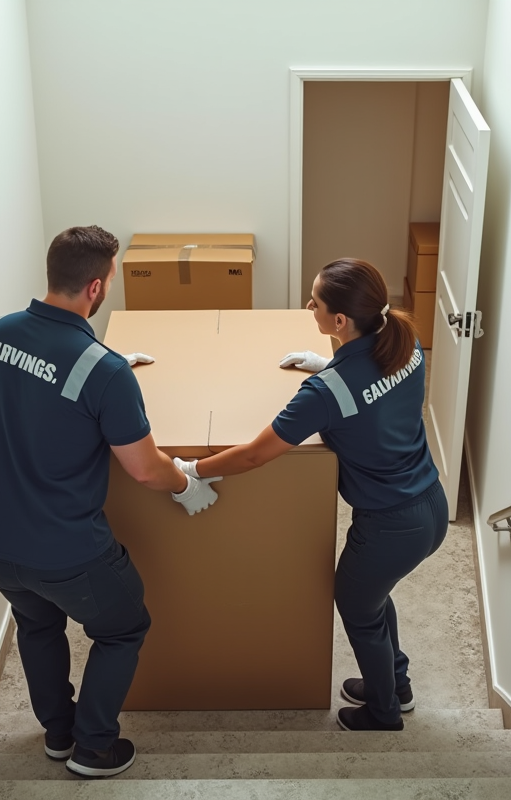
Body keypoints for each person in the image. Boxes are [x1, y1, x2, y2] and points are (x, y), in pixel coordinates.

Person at [0, 225, 221, 778]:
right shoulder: (102, 371)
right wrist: (186, 483)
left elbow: (26, 397)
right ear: (95, 287)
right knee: (123, 627)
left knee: (37, 627)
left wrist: (98, 370)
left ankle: (58, 735)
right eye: (110, 277)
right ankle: (93, 747)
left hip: (0, 548)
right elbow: (144, 469)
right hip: (69, 552)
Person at [178, 257, 447, 732]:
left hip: (390, 524)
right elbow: (375, 393)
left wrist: (193, 469)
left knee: (359, 606)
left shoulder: (325, 395)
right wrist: (331, 363)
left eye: (315, 301)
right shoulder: (406, 346)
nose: (308, 305)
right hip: (430, 505)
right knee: (375, 598)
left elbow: (256, 454)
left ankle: (384, 712)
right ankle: (394, 684)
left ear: (339, 320)